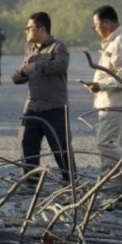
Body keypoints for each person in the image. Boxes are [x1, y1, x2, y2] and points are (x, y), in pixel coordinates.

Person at [11, 11, 72, 188]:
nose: (26, 31)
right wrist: (23, 72)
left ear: (42, 29)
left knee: (60, 147)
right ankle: (31, 181)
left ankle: (70, 181)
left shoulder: (58, 47)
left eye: (29, 27)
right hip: (33, 106)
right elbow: (17, 77)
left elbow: (61, 65)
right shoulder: (30, 50)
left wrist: (36, 66)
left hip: (54, 107)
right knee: (27, 144)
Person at [81, 5, 122, 179]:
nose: (96, 30)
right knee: (111, 146)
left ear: (107, 23)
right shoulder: (113, 42)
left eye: (97, 26)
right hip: (108, 102)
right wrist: (97, 86)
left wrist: (101, 86)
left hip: (115, 103)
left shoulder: (120, 42)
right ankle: (111, 184)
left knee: (104, 143)